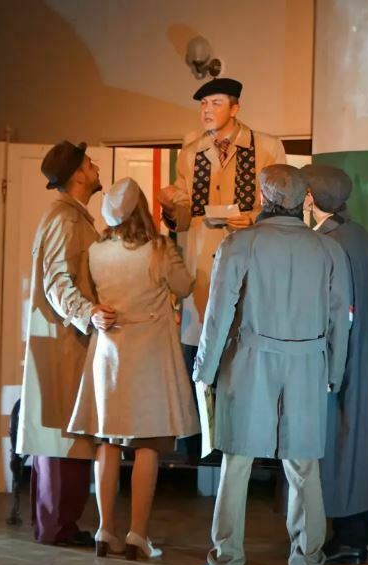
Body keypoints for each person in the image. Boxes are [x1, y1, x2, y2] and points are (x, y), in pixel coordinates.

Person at [193, 164, 352, 565]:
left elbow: (218, 314)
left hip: (250, 361)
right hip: (308, 365)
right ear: (304, 200)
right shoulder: (329, 250)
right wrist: (335, 371)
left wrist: (204, 369)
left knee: (236, 464)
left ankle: (225, 563)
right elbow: (341, 320)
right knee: (304, 467)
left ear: (264, 198)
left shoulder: (239, 244)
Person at [67, 178, 200, 559]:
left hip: (109, 352)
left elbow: (90, 296)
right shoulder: (158, 249)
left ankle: (105, 529)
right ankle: (138, 533)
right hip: (150, 354)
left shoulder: (96, 251)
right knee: (147, 444)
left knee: (108, 442)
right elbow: (184, 286)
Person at [156, 78, 287, 457]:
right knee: (202, 352)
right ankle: (202, 444)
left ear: (235, 107)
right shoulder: (191, 153)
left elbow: (282, 202)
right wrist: (170, 206)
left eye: (215, 103)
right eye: (203, 104)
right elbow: (183, 218)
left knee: (243, 350)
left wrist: (256, 217)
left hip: (248, 261)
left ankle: (250, 440)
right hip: (204, 268)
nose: (207, 110)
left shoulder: (266, 146)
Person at [17, 140, 115, 546]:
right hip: (64, 339)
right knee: (61, 433)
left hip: (69, 338)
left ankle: (60, 524)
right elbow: (57, 280)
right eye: (90, 163)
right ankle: (57, 526)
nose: (95, 168)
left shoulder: (73, 217)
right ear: (78, 174)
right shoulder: (63, 219)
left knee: (66, 431)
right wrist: (87, 312)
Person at [303, 164, 368, 565]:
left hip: (336, 359)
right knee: (354, 446)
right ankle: (357, 535)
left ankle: (348, 537)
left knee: (339, 447)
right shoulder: (361, 237)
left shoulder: (328, 242)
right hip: (359, 354)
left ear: (311, 197)